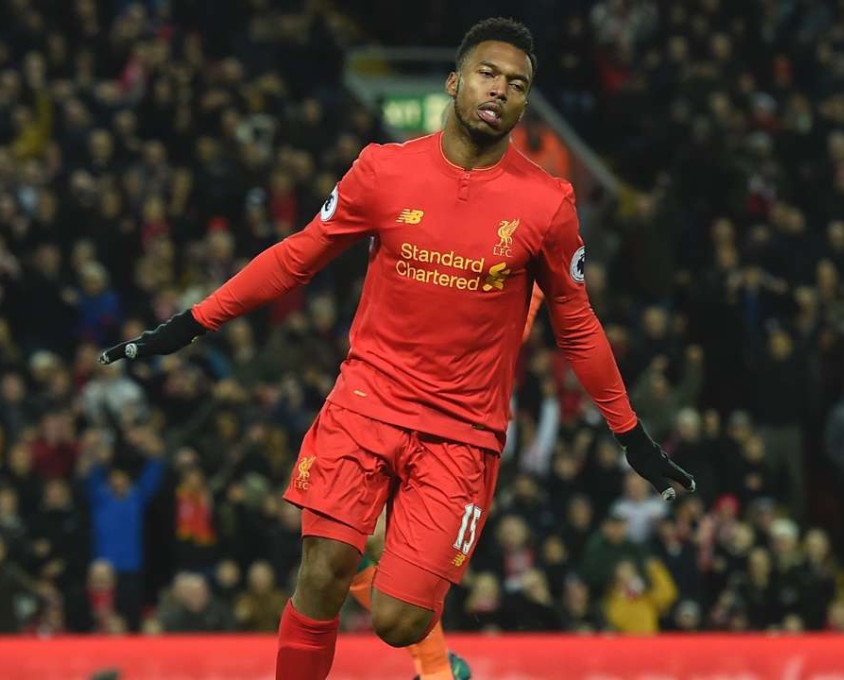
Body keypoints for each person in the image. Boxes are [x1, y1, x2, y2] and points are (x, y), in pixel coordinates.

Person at [100, 18, 695, 680]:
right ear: (455, 82)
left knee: (398, 621)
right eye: (488, 74)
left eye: (518, 84)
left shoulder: (547, 205)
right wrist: (193, 322)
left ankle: (434, 660)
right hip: (367, 400)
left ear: (526, 104)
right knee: (324, 568)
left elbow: (578, 325)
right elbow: (298, 256)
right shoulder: (383, 169)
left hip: (463, 431)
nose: (500, 91)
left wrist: (631, 435)